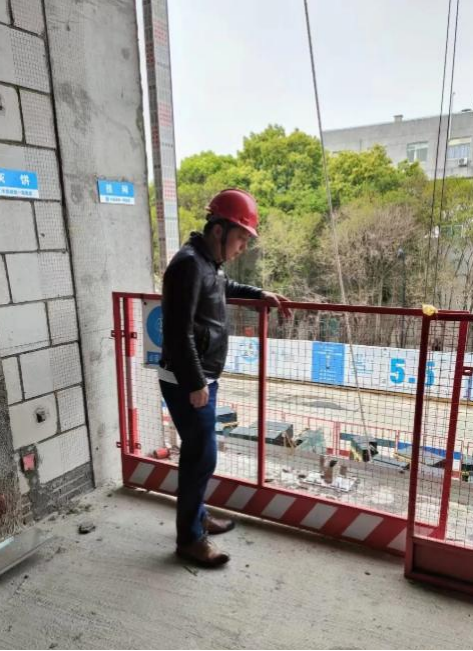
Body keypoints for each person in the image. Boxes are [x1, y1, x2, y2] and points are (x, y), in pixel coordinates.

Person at [159, 188, 291, 567]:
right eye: (241, 238)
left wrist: (260, 293)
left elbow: (224, 288)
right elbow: (178, 331)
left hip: (199, 377)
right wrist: (196, 383)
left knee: (200, 454)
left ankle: (197, 518)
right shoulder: (188, 264)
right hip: (187, 380)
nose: (243, 247)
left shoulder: (208, 263)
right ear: (219, 230)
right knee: (201, 457)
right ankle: (189, 539)